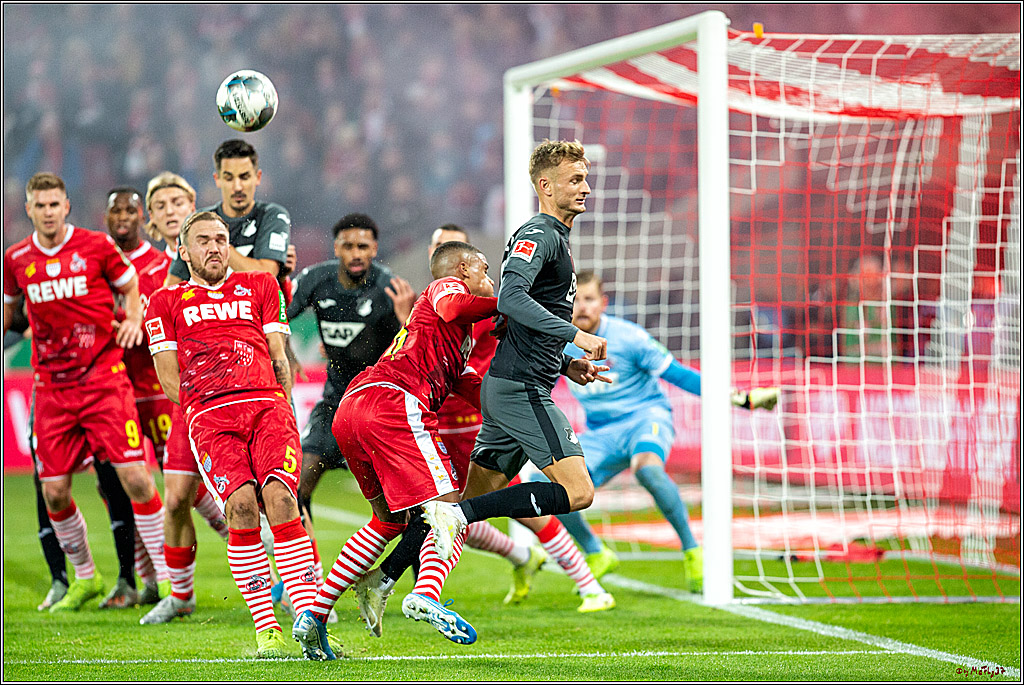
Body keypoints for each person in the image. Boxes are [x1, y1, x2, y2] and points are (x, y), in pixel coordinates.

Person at [350, 224, 612, 642]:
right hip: (429, 417)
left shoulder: (484, 308)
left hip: (475, 414)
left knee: (462, 507)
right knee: (454, 509)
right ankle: (396, 584)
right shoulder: (445, 300)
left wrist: (562, 362)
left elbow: (520, 342)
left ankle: (584, 579)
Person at [292, 239, 510, 659]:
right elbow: (453, 306)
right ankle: (426, 595)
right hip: (393, 404)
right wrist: (508, 303)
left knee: (388, 520)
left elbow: (475, 392)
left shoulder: (450, 340)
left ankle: (314, 614)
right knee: (452, 509)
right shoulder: (443, 290)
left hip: (353, 410)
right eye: (484, 269)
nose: (491, 279)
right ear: (462, 269)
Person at [144, 211, 331, 659]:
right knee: (241, 507)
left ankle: (310, 621)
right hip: (209, 417)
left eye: (221, 238)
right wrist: (199, 412)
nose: (214, 246)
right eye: (203, 240)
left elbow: (278, 355)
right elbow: (169, 379)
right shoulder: (164, 303)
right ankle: (266, 629)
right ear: (183, 252)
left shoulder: (262, 287)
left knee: (283, 500)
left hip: (268, 407)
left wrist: (283, 403)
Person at [549, 271, 780, 592]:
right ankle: (595, 552)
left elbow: (679, 375)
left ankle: (692, 550)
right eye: (575, 301)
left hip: (646, 418)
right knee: (554, 487)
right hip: (601, 434)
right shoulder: (558, 341)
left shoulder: (629, 338)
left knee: (648, 469)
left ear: (603, 303)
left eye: (589, 300)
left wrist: (739, 398)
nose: (582, 308)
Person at [2, 172, 168, 612]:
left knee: (135, 477)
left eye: (55, 204)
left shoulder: (96, 246)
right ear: (29, 209)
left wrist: (133, 318)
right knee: (53, 491)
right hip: (52, 390)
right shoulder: (16, 258)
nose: (49, 212)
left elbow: (129, 284)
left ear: (67, 206)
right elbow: (9, 311)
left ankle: (168, 582)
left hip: (104, 381)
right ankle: (86, 578)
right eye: (41, 206)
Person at [285, 212, 414, 581]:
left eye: (363, 246)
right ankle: (306, 581)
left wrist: (406, 323)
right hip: (333, 403)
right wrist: (291, 356)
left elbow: (413, 351)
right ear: (336, 247)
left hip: (377, 409)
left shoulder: (391, 289)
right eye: (348, 245)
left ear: (374, 248)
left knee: (407, 508)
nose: (355, 253)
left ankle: (416, 585)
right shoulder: (315, 280)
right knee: (298, 486)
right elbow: (276, 316)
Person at [125, 174, 230, 625]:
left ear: (193, 203)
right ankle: (172, 591)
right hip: (171, 396)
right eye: (161, 204)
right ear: (152, 218)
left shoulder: (223, 255)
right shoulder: (143, 270)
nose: (170, 210)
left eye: (178, 201)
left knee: (260, 497)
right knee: (178, 497)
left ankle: (293, 585)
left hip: (232, 396)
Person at [164, 139, 290, 287]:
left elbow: (266, 276)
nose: (237, 187)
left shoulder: (272, 216)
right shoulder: (196, 222)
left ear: (258, 177)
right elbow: (172, 286)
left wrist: (218, 247)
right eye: (229, 178)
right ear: (217, 179)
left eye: (244, 177)